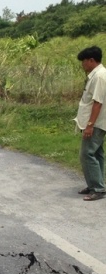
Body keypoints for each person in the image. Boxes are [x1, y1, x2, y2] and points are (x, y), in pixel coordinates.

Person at [75, 46, 106, 201]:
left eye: (84, 61)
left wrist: (90, 125)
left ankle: (98, 189)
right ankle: (95, 184)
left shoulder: (99, 76)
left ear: (91, 60)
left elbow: (97, 103)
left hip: (97, 123)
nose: (83, 65)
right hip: (97, 122)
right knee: (97, 154)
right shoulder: (96, 75)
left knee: (86, 154)